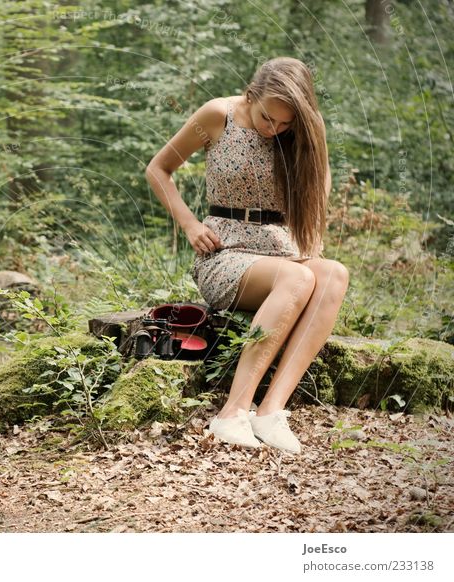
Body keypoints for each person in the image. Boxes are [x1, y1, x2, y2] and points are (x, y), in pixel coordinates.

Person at [144, 57, 349, 453]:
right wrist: (189, 224)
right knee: (300, 278)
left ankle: (271, 412)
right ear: (251, 95)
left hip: (281, 250)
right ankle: (232, 413)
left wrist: (311, 245)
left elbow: (320, 189)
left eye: (285, 124)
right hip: (225, 251)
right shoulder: (217, 115)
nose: (274, 130)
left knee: (334, 275)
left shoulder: (305, 130)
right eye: (268, 118)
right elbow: (158, 169)